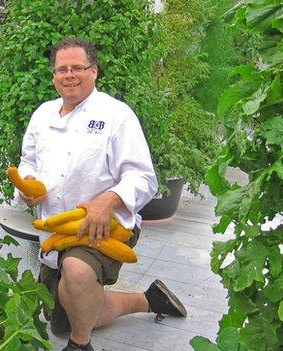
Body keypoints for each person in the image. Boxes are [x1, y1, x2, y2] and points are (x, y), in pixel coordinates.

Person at [15, 37, 187, 351]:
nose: (69, 75)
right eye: (61, 69)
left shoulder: (116, 116)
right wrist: (27, 184)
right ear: (53, 76)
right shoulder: (42, 115)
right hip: (56, 229)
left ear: (94, 71)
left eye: (77, 68)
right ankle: (149, 300)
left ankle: (81, 345)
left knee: (77, 273)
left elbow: (144, 177)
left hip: (104, 228)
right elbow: (27, 161)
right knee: (65, 316)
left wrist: (108, 200)